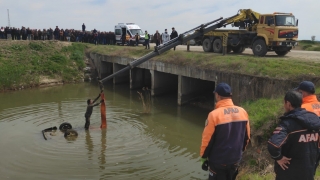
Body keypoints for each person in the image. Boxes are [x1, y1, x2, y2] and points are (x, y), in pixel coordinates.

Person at [200, 83, 250, 180]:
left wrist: (203, 157)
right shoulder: (243, 112)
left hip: (218, 162)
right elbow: (247, 137)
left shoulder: (214, 115)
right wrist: (239, 152)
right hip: (235, 160)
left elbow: (207, 140)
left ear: (217, 95)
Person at [268, 90, 320, 180]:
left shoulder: (288, 124)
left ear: (288, 104)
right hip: (309, 170)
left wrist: (278, 157)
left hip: (289, 171)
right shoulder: (315, 120)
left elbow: (273, 145)